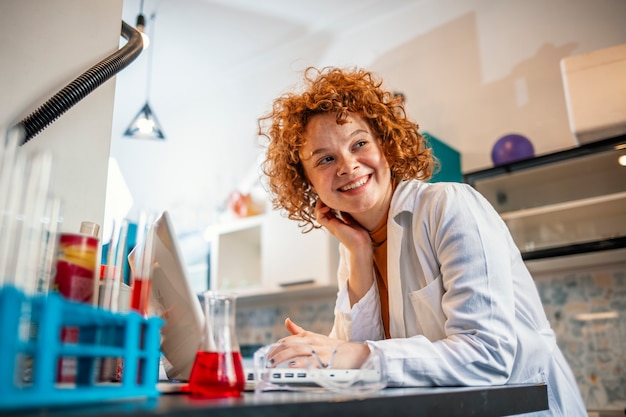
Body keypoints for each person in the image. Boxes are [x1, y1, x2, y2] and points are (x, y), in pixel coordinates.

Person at [258, 66, 586, 415]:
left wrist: (345, 354)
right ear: (307, 182)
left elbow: (488, 356)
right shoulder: (353, 246)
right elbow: (359, 372)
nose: (348, 165)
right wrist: (358, 253)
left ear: (385, 144)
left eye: (359, 143)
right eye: (325, 158)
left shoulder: (449, 205)